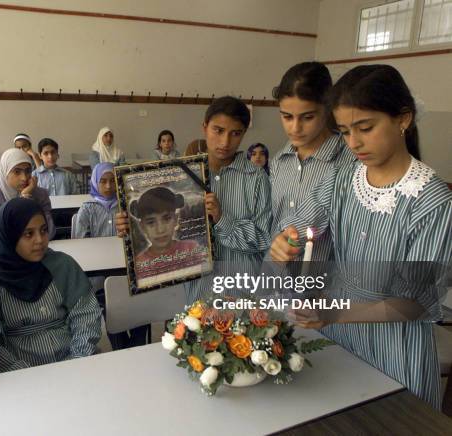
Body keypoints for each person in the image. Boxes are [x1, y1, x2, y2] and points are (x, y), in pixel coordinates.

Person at [269, 65, 451, 410]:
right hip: (339, 343)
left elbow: (415, 304)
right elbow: (308, 217)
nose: (354, 143)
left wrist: (334, 313)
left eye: (365, 128)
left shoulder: (431, 202)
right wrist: (286, 239)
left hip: (394, 353)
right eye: (345, 131)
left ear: (403, 119)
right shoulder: (345, 176)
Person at [118, 97, 272, 303]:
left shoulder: (257, 178)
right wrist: (128, 227)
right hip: (199, 295)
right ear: (205, 127)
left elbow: (264, 239)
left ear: (244, 133)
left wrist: (222, 219)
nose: (225, 142)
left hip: (243, 293)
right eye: (218, 130)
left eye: (235, 133)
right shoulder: (179, 176)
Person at [0, 198, 101, 366]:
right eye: (28, 234)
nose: (40, 240)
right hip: (21, 372)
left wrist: (77, 360)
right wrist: (20, 372)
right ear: (9, 236)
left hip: (74, 358)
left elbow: (86, 315)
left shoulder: (62, 265)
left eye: (43, 230)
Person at [269, 62, 355, 261]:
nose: (295, 128)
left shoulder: (348, 160)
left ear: (327, 109)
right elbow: (273, 224)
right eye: (287, 117)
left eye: (307, 117)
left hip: (323, 284)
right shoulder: (279, 162)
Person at [74, 162, 149, 348]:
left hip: (129, 273)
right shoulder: (87, 209)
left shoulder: (129, 205)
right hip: (101, 280)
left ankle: (137, 349)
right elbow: (80, 246)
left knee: (142, 314)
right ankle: (121, 349)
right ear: (95, 182)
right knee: (113, 317)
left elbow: (143, 238)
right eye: (103, 181)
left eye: (113, 181)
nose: (109, 186)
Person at [0, 148, 55, 254]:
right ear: (5, 172)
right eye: (17, 172)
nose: (24, 178)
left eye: (28, 171)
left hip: (32, 255)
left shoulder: (40, 195)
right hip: (0, 257)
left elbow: (49, 232)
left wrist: (26, 200)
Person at [131, 187, 204, 280]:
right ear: (142, 227)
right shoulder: (140, 263)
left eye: (167, 218)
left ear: (176, 219)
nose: (160, 230)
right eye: (151, 222)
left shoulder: (191, 249)